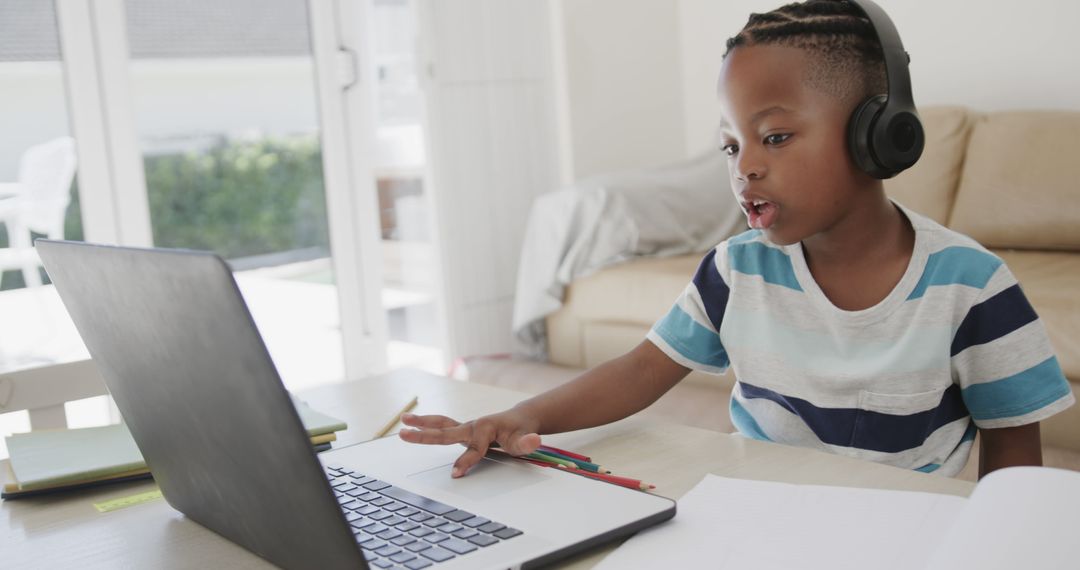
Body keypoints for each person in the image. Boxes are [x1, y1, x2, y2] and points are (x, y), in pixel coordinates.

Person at [399, 0, 1074, 480]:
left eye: (774, 137)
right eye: (730, 144)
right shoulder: (737, 269)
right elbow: (639, 372)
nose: (744, 166)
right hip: (757, 520)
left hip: (900, 531)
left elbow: (1014, 459)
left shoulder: (971, 285)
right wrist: (519, 414)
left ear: (877, 134)